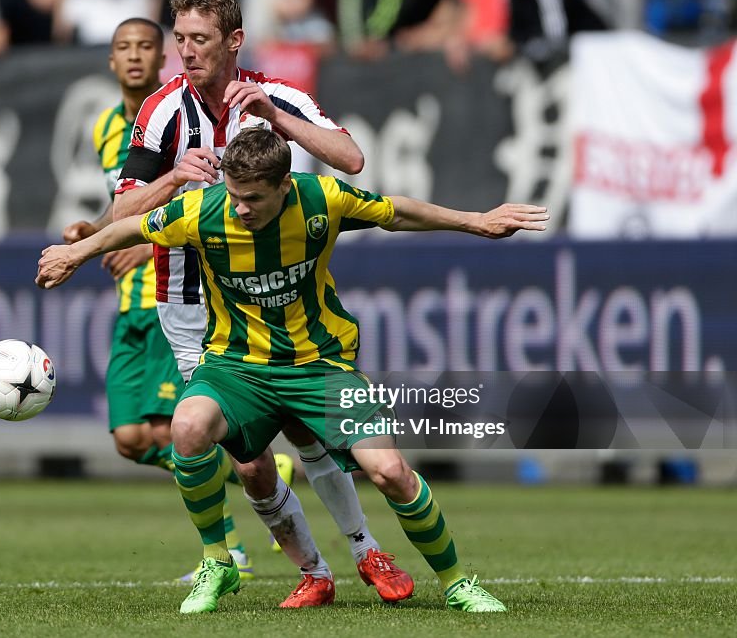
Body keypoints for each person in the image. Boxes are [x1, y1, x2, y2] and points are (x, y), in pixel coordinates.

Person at [37, 128, 549, 613]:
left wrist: (477, 221)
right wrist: (75, 253)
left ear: (285, 184)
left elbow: (397, 213)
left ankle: (458, 583)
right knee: (188, 426)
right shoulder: (201, 210)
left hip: (319, 363)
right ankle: (219, 562)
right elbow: (132, 226)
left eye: (253, 198)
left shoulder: (323, 199)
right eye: (233, 194)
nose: (240, 208)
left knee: (391, 472)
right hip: (238, 367)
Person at [112, 0, 411, 608]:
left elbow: (352, 159)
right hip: (191, 304)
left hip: (276, 293)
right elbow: (122, 209)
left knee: (310, 433)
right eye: (181, 39)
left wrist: (279, 120)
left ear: (234, 40)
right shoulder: (161, 112)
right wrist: (172, 177)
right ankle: (312, 572)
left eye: (200, 39)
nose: (186, 52)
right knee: (245, 459)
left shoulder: (277, 97)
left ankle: (366, 553)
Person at [61, 17, 254, 581]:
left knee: (183, 429)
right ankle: (255, 467)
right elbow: (129, 207)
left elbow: (201, 205)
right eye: (124, 47)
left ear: (162, 56)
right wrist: (91, 233)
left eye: (147, 46)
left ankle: (228, 547)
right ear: (111, 61)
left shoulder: (178, 118)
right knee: (129, 438)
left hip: (174, 293)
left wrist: (147, 250)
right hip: (129, 300)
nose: (136, 57)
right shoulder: (104, 128)